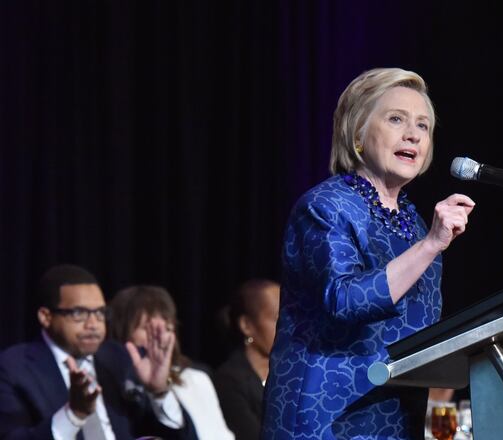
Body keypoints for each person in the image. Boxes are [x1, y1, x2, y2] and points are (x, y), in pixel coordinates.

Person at [260, 67, 475, 439]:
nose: (413, 134)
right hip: (326, 416)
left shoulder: (412, 220)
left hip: (395, 414)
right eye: (396, 119)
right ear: (358, 131)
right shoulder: (325, 206)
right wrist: (429, 246)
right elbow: (345, 300)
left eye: (423, 126)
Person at [0, 264, 196, 439]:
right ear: (46, 316)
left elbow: (180, 436)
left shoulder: (118, 358)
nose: (93, 324)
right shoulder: (14, 368)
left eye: (100, 313)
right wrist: (73, 415)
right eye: (79, 313)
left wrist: (159, 392)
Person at [108, 285, 234, 439]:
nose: (161, 337)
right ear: (121, 331)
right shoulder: (117, 386)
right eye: (149, 330)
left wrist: (160, 392)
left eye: (167, 328)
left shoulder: (195, 378)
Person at [214, 279, 280, 440]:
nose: (288, 327)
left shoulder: (293, 373)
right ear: (246, 325)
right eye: (278, 319)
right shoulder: (229, 381)